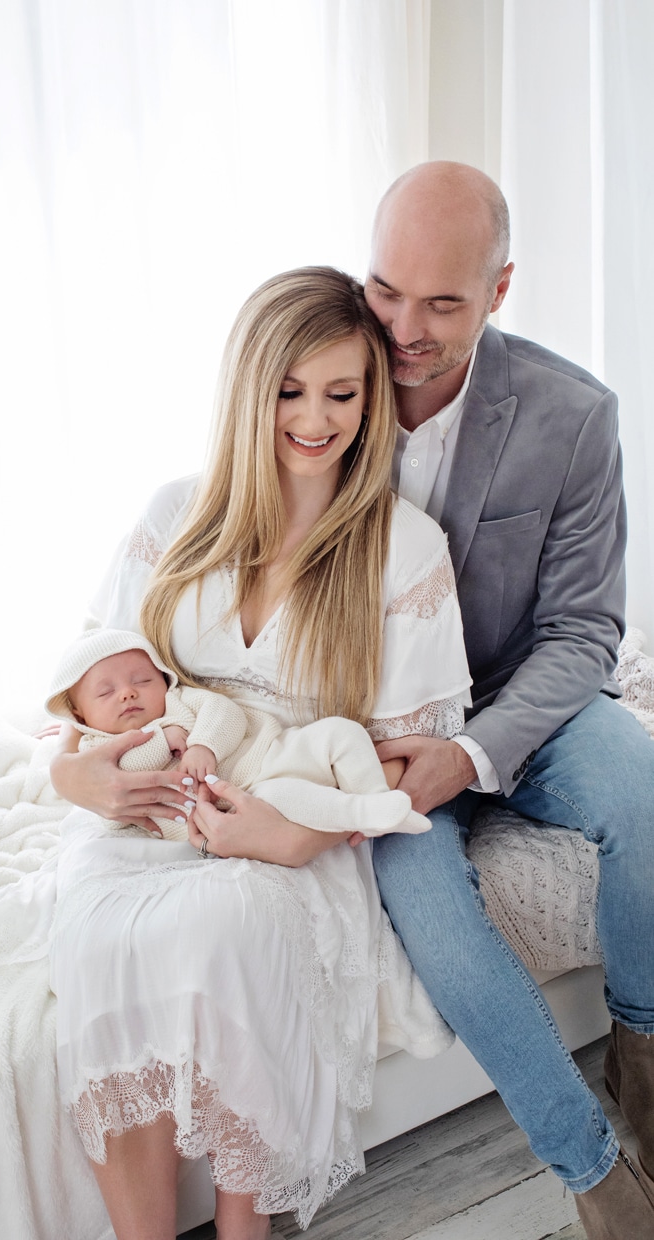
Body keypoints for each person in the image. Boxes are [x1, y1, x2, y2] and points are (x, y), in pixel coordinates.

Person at [49, 266, 472, 1240]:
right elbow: (84, 683)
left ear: (371, 401)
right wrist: (76, 773)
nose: (314, 419)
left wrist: (296, 836)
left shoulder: (399, 548)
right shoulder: (175, 512)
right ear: (247, 388)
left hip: (294, 817)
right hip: (148, 812)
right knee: (103, 936)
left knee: (229, 921)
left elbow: (423, 754)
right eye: (289, 389)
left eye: (341, 392)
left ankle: (248, 1230)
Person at [363, 161, 654, 1237]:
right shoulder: (316, 388)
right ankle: (589, 1175)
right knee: (422, 892)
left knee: (642, 791)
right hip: (381, 728)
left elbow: (585, 630)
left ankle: (640, 1050)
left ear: (498, 288)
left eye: (441, 301)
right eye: (385, 289)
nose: (403, 326)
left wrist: (477, 751)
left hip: (527, 699)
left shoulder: (573, 414)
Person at [44, 626, 431, 841]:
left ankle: (379, 798)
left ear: (163, 679)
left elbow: (226, 712)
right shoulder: (96, 750)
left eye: (141, 680)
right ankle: (365, 814)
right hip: (249, 801)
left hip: (272, 754)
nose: (128, 692)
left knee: (342, 733)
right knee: (292, 800)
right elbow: (114, 811)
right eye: (106, 692)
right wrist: (165, 739)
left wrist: (201, 743)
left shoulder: (182, 701)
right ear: (78, 713)